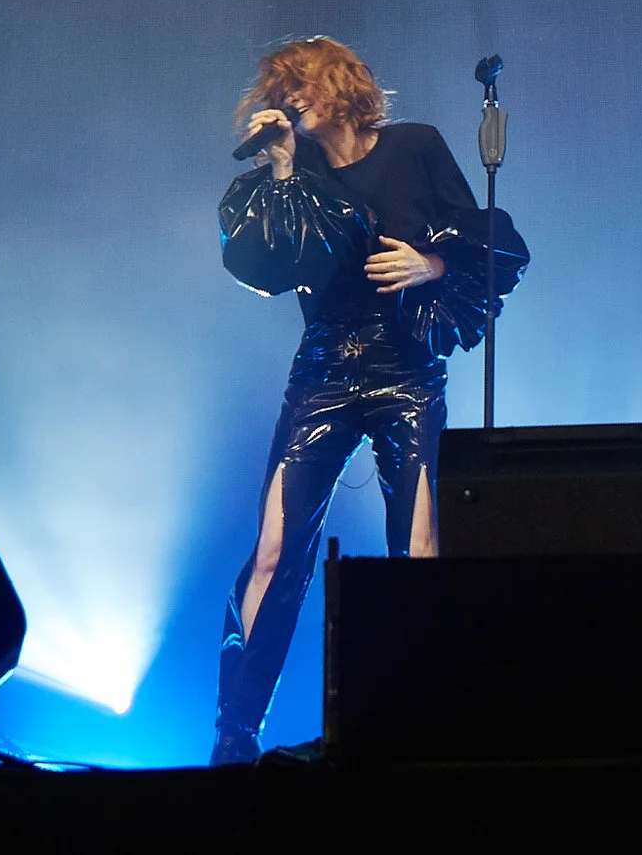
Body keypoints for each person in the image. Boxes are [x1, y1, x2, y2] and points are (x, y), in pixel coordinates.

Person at [210, 37, 528, 765]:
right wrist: (284, 165)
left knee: (418, 552)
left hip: (407, 369)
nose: (290, 97)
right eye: (281, 89)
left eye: (302, 84)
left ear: (341, 84)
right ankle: (233, 739)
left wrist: (432, 262)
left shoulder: (414, 146)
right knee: (271, 552)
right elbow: (269, 263)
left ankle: (419, 726)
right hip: (324, 369)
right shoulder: (299, 167)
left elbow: (493, 245)